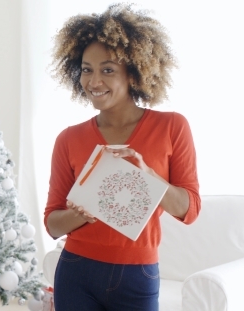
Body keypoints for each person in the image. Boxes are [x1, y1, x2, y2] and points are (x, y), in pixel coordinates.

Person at [44, 3, 201, 311]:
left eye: (107, 70)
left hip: (137, 274)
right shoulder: (68, 139)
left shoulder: (172, 127)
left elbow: (190, 210)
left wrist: (148, 177)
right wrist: (83, 212)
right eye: (87, 70)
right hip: (76, 270)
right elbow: (52, 224)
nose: (93, 82)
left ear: (133, 72)